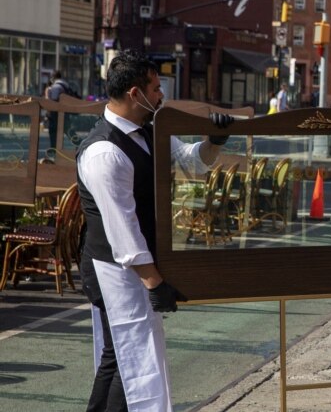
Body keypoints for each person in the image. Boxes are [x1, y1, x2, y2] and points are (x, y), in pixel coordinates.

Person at [77, 49, 232, 412]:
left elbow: (190, 163)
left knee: (119, 357)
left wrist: (214, 142)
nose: (161, 95)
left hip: (129, 264)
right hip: (113, 268)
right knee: (132, 358)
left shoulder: (149, 131)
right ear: (135, 94)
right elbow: (123, 229)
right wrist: (155, 284)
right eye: (156, 88)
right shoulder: (104, 153)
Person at [45, 71, 73, 149]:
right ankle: (79, 144)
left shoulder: (56, 87)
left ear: (53, 78)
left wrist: (47, 93)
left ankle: (54, 149)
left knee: (53, 131)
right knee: (68, 130)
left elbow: (52, 101)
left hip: (56, 113)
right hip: (65, 112)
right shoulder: (65, 84)